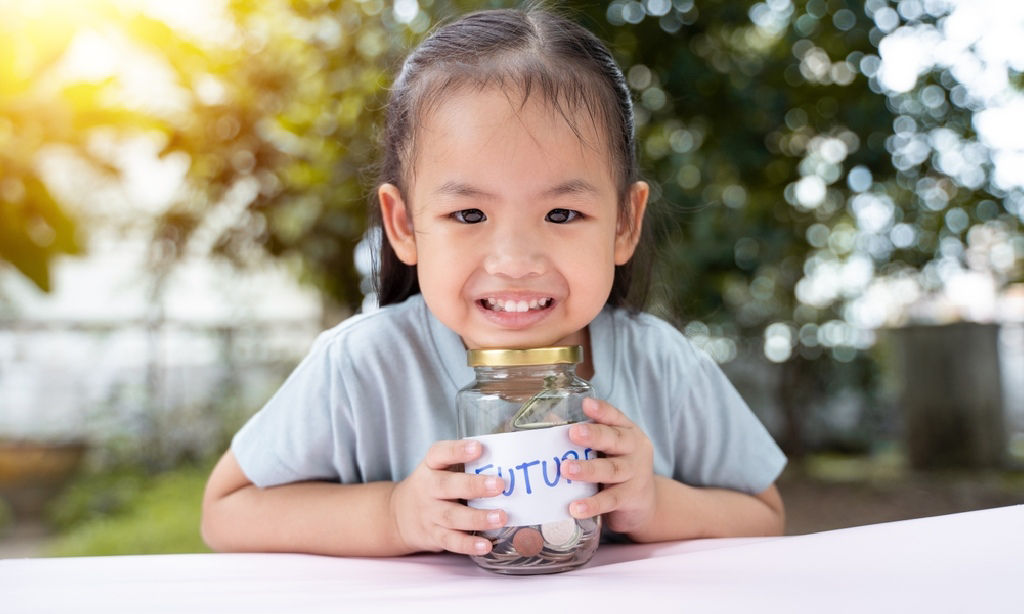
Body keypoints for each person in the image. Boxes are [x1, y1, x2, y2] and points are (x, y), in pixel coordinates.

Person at [201, 6, 786, 558]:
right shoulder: (362, 367)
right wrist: (394, 514)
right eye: (469, 215)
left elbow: (765, 515)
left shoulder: (663, 365)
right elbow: (225, 511)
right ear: (404, 225)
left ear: (623, 224)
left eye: (561, 215)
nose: (513, 261)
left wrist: (656, 503)